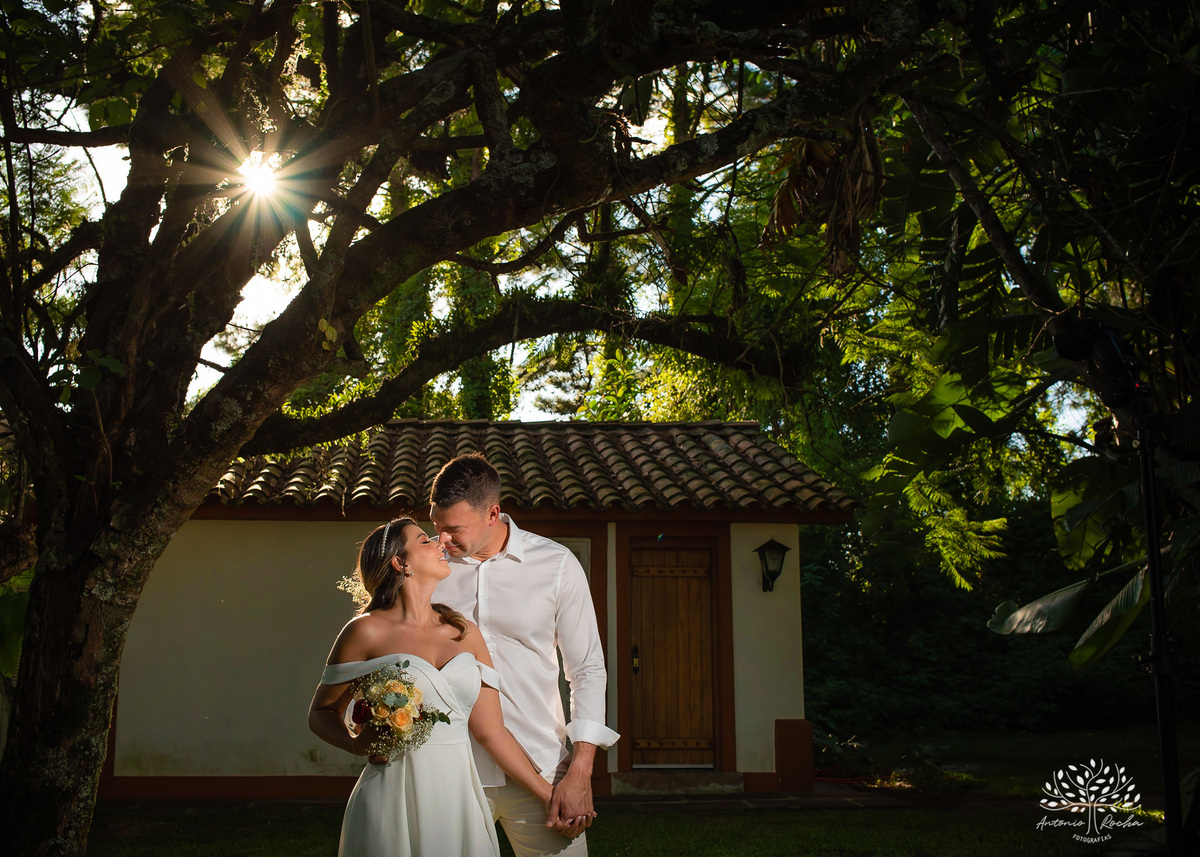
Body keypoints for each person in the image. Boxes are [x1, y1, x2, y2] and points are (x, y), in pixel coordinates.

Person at [308, 517, 554, 857]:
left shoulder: (464, 632)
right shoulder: (365, 632)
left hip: (458, 796)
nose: (440, 542)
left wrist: (549, 795)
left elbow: (492, 733)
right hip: (393, 794)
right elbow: (321, 712)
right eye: (425, 540)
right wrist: (356, 744)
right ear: (400, 562)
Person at [430, 452, 619, 857]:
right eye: (436, 525)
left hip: (542, 769)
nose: (442, 540)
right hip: (450, 772)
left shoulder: (556, 565)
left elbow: (586, 669)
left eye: (454, 528)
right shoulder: (426, 568)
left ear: (492, 513)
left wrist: (582, 769)